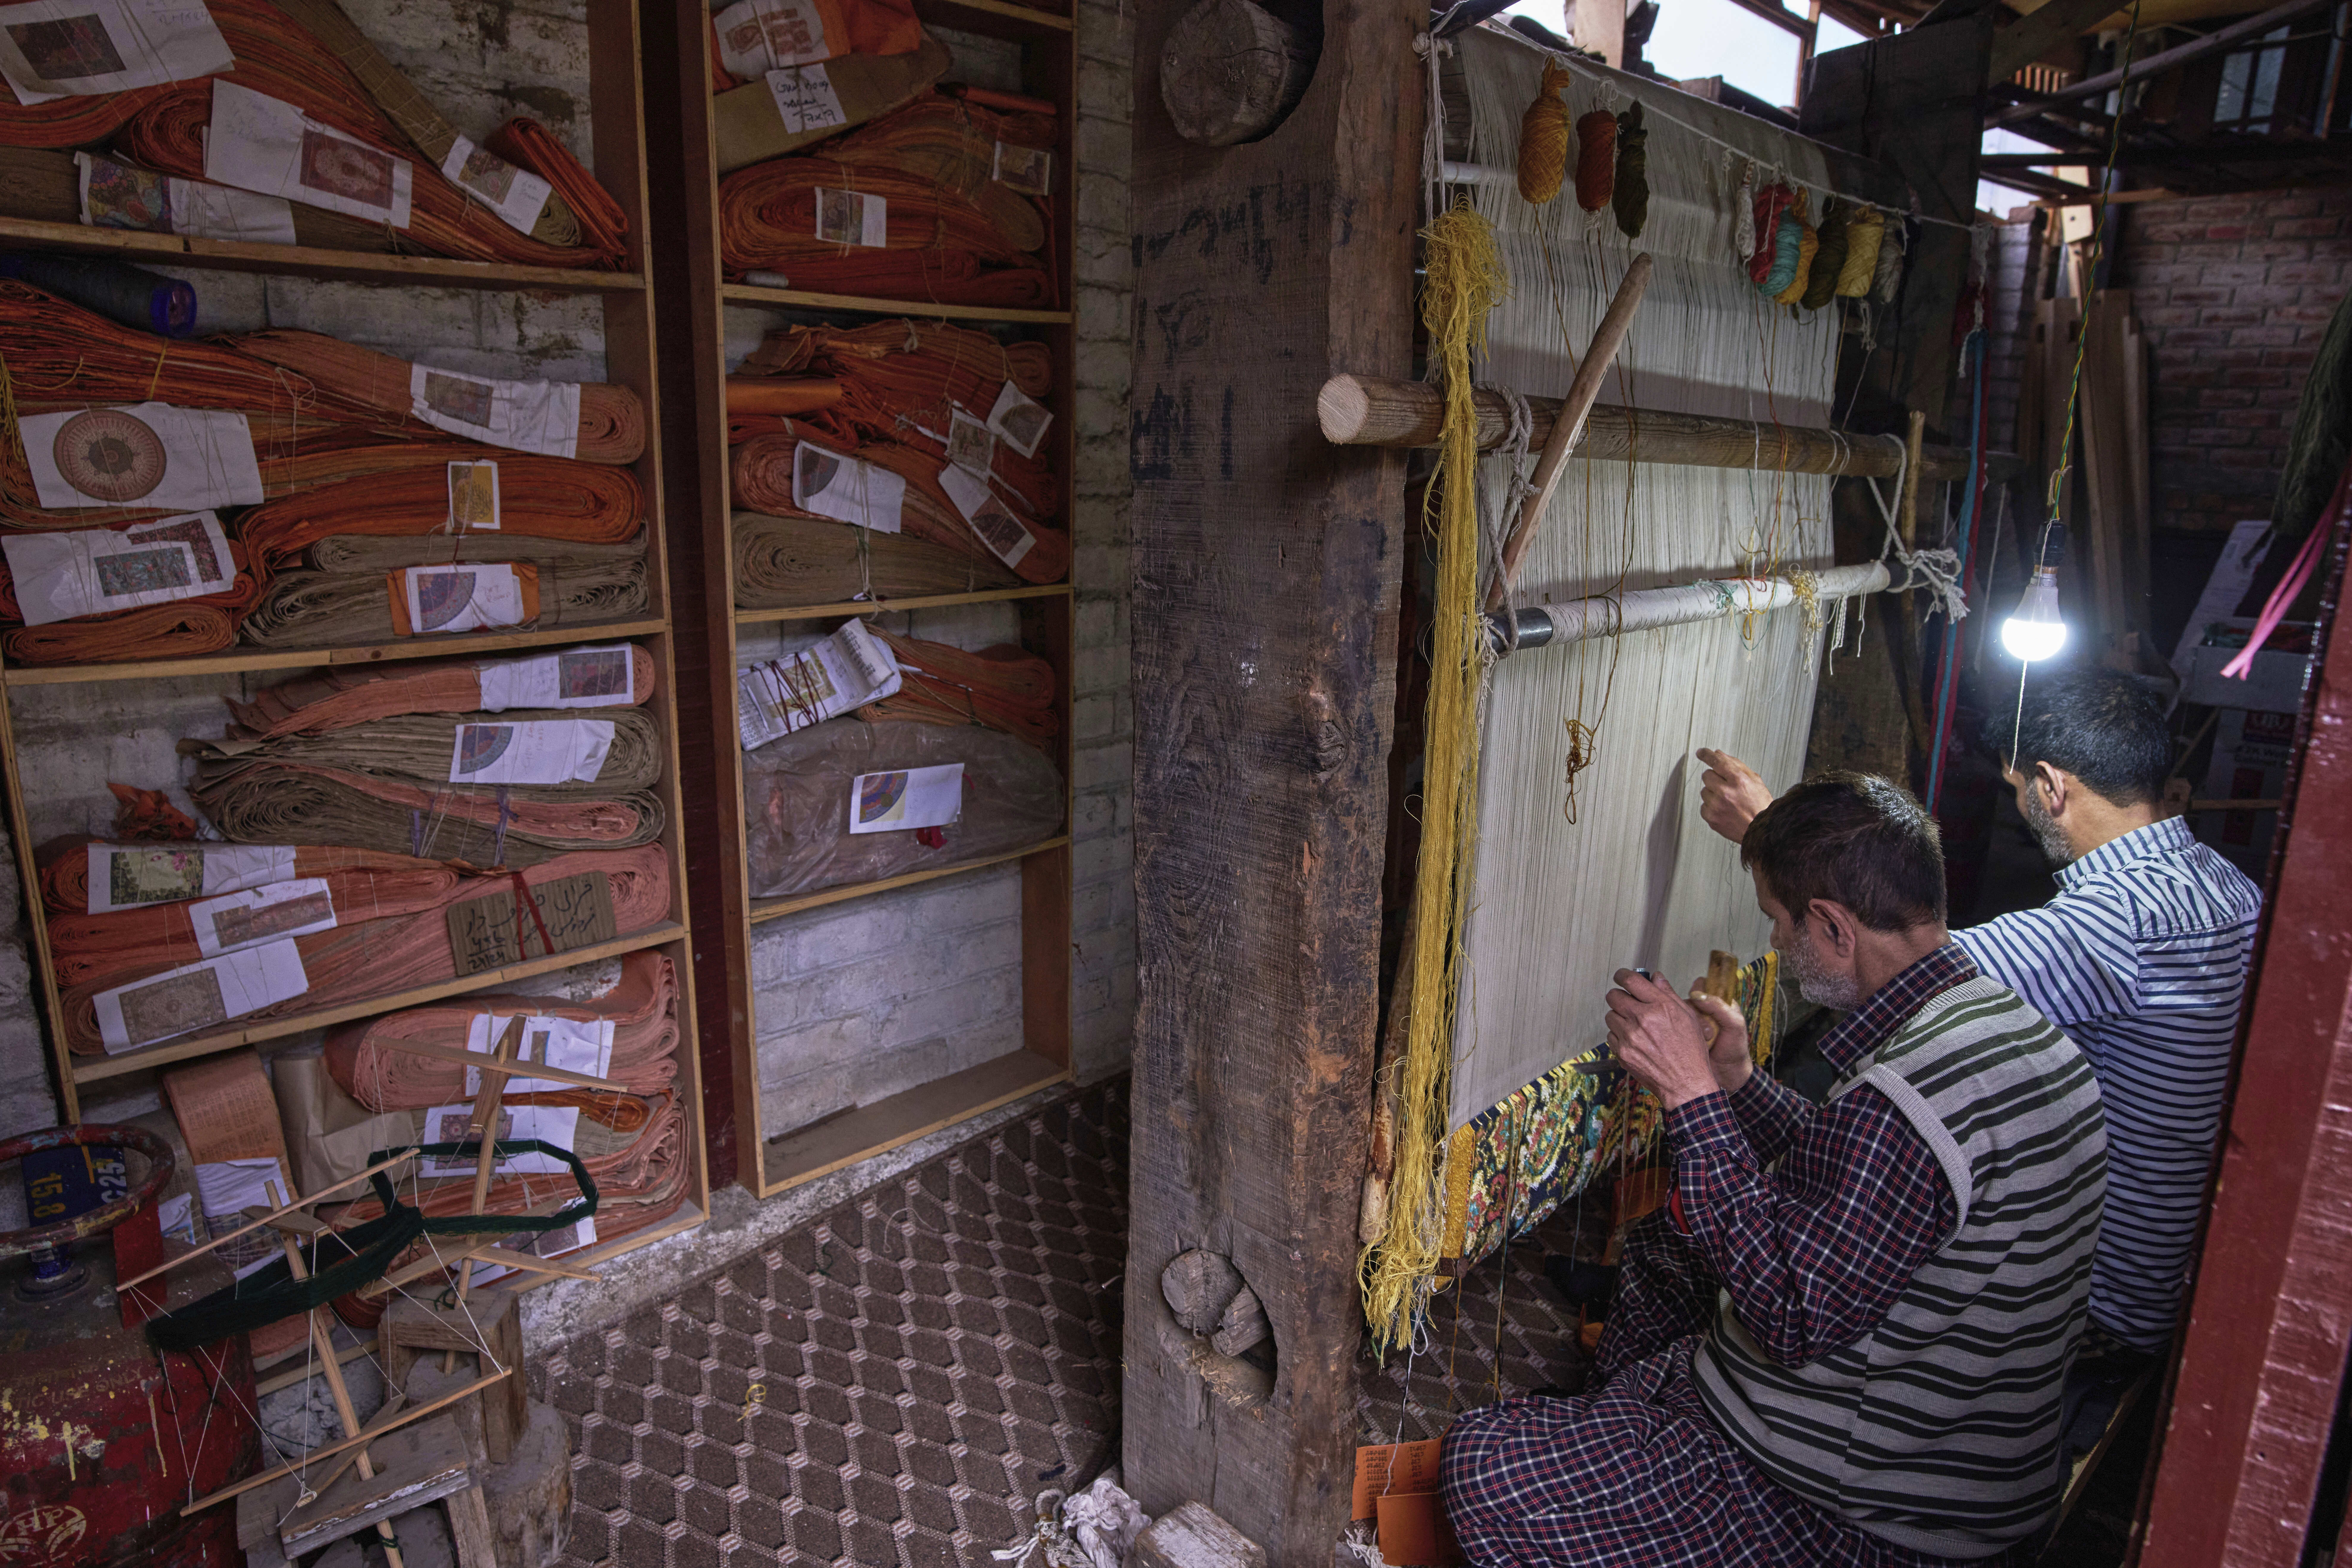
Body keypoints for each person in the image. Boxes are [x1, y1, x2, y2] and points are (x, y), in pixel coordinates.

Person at [1443, 773, 2107, 1565]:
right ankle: (1626, 1436)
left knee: (1483, 1464)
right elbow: (1859, 1186)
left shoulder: (1908, 1096)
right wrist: (1737, 1083)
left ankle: (1649, 1455)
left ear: (1830, 924)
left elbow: (1788, 1314)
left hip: (1859, 1514)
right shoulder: (2001, 1024)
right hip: (1952, 1467)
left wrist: (1690, 1092)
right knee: (1669, 1253)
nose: (1773, 948)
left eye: (1777, 923)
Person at [1696, 666, 2261, 1366]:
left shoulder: (2114, 922)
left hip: (2090, 1303)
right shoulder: (2232, 888)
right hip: (2167, 1272)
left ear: (2052, 787)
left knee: (1739, 1257)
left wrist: (1776, 834)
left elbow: (1888, 960)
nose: (2020, 807)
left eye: (2018, 790)